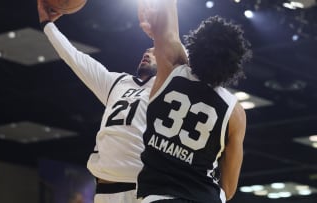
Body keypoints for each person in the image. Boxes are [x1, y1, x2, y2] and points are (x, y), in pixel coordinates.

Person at [36, 1, 157, 202]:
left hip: (141, 189)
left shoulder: (168, 89)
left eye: (154, 53)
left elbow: (177, 52)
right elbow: (75, 58)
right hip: (104, 190)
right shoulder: (117, 82)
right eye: (146, 51)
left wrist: (158, 32)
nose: (147, 53)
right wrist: (47, 25)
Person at [136, 0, 252, 202]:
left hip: (159, 196)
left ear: (195, 44)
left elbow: (170, 32)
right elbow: (228, 188)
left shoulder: (172, 69)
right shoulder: (235, 113)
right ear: (234, 67)